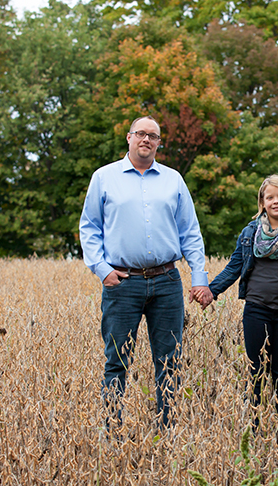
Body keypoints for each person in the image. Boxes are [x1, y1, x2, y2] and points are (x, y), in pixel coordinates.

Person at [79, 115, 213, 430]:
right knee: (116, 362)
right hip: (122, 284)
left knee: (170, 362)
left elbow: (190, 233)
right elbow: (89, 228)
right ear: (129, 138)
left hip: (167, 282)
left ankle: (167, 432)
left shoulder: (173, 180)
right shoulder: (104, 177)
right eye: (141, 133)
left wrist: (199, 278)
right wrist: (102, 270)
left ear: (158, 143)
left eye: (153, 136)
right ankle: (111, 433)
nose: (146, 140)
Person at [204, 175, 278, 429]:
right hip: (256, 311)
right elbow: (234, 267)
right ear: (262, 203)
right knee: (256, 372)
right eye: (270, 197)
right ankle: (254, 430)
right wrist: (212, 291)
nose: (276, 201)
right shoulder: (250, 232)